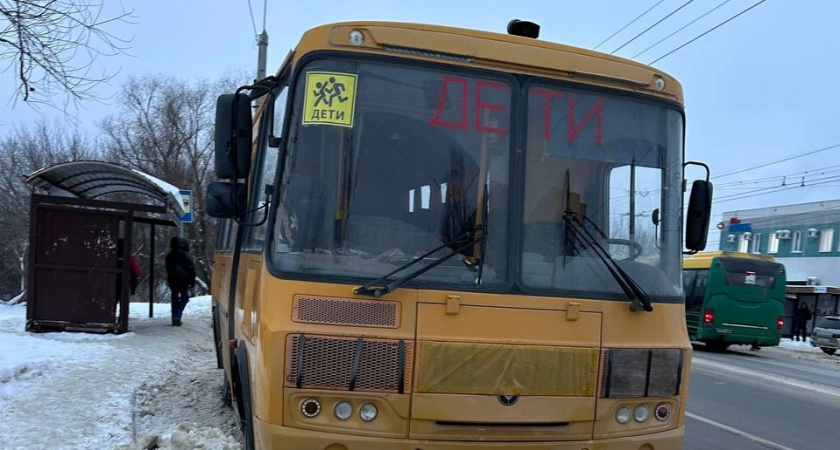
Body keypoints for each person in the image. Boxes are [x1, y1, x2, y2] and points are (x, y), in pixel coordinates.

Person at [165, 237, 196, 326]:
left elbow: (168, 269)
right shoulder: (186, 255)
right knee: (184, 299)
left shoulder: (169, 256)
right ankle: (177, 317)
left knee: (174, 298)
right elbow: (191, 269)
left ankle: (174, 318)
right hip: (183, 280)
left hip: (172, 280)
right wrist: (192, 281)